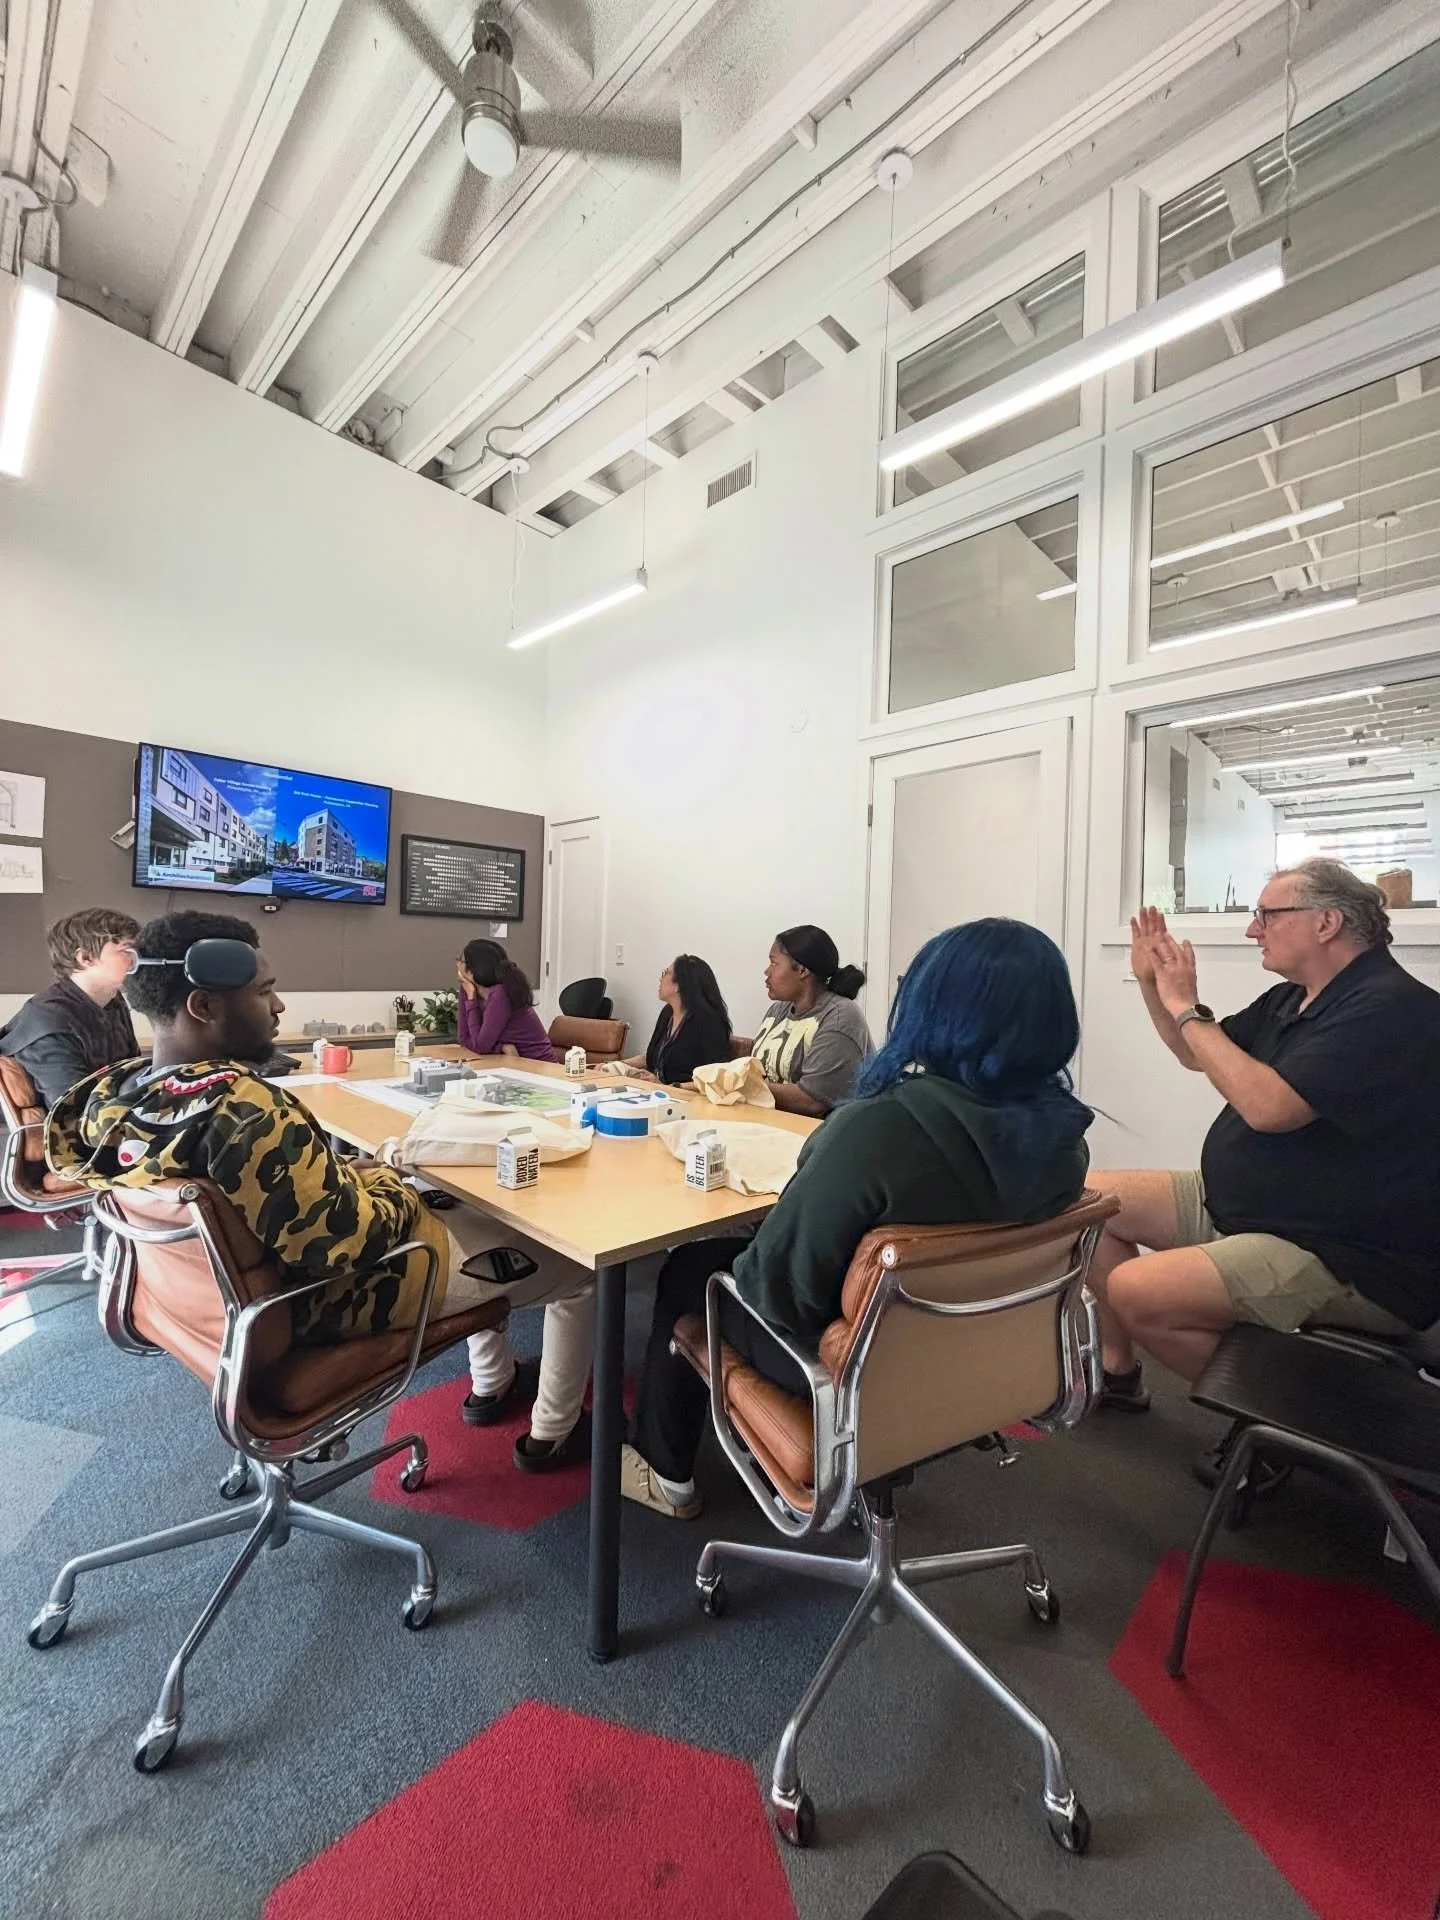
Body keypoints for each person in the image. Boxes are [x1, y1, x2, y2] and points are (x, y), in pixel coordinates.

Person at [47, 912, 594, 1471]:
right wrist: (389, 1177)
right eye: (264, 992)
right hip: (346, 1291)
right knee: (579, 1268)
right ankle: (554, 1431)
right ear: (204, 1006)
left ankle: (494, 1383)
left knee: (460, 1206)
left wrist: (346, 1173)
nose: (279, 1006)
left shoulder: (111, 1099)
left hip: (215, 1303)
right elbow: (352, 1243)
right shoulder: (244, 1110)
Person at [621, 919, 1094, 1518]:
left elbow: (776, 1292)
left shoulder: (877, 1130)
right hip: (981, 1363)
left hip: (860, 1365)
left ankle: (664, 1471)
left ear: (928, 1009)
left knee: (691, 1269)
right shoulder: (1066, 1142)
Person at [1087, 860, 1440, 1445]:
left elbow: (1268, 1108)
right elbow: (1197, 1053)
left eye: (1268, 915)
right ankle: (1117, 1371)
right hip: (1261, 1210)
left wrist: (1185, 1005)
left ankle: (1288, 1428)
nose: (1254, 929)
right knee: (1087, 1204)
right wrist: (1154, 985)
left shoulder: (1391, 1009)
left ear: (1326, 922)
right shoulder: (1292, 999)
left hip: (1342, 1253)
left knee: (1135, 1291)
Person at [1, 908, 141, 1108]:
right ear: (85, 957)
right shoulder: (49, 1020)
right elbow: (72, 1109)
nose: (138, 960)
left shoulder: (112, 1002)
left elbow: (130, 1073)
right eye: (127, 951)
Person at [750, 924, 873, 1116]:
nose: (767, 972)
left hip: (820, 1132)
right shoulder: (779, 1009)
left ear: (802, 970)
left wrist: (746, 1088)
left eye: (774, 963)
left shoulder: (840, 1017)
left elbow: (812, 1101)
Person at [623, 955, 733, 1085]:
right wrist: (617, 1065)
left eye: (666, 973)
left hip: (685, 1096)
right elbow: (652, 1058)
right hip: (656, 1092)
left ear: (678, 985)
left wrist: (669, 1087)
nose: (660, 979)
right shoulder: (668, 1013)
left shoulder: (710, 1022)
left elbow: (717, 1079)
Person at [456, 940, 558, 1062]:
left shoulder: (501, 993)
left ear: (471, 971)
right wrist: (501, 1048)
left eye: (460, 961)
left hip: (538, 1065)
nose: (457, 964)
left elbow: (480, 1046)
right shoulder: (467, 989)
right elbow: (463, 1038)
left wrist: (471, 1000)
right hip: (508, 1061)